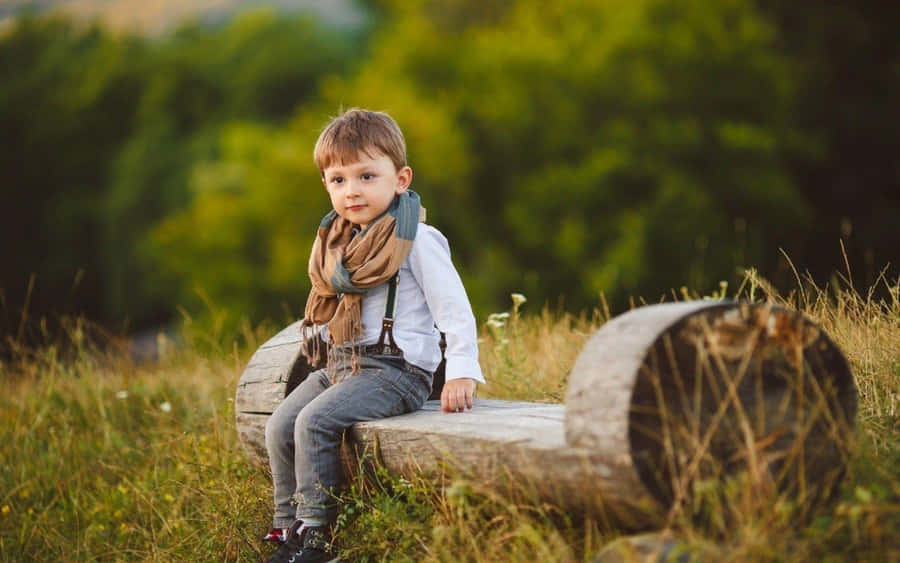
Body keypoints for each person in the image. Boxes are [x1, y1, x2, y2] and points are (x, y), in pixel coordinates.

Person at [263, 108, 484, 563]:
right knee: (279, 425)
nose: (352, 191)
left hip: (397, 371)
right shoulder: (337, 245)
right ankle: (286, 530)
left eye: (367, 176)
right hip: (344, 364)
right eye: (338, 180)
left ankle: (316, 534)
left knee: (314, 423)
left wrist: (462, 371)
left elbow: (455, 310)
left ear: (400, 179)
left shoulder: (417, 240)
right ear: (325, 184)